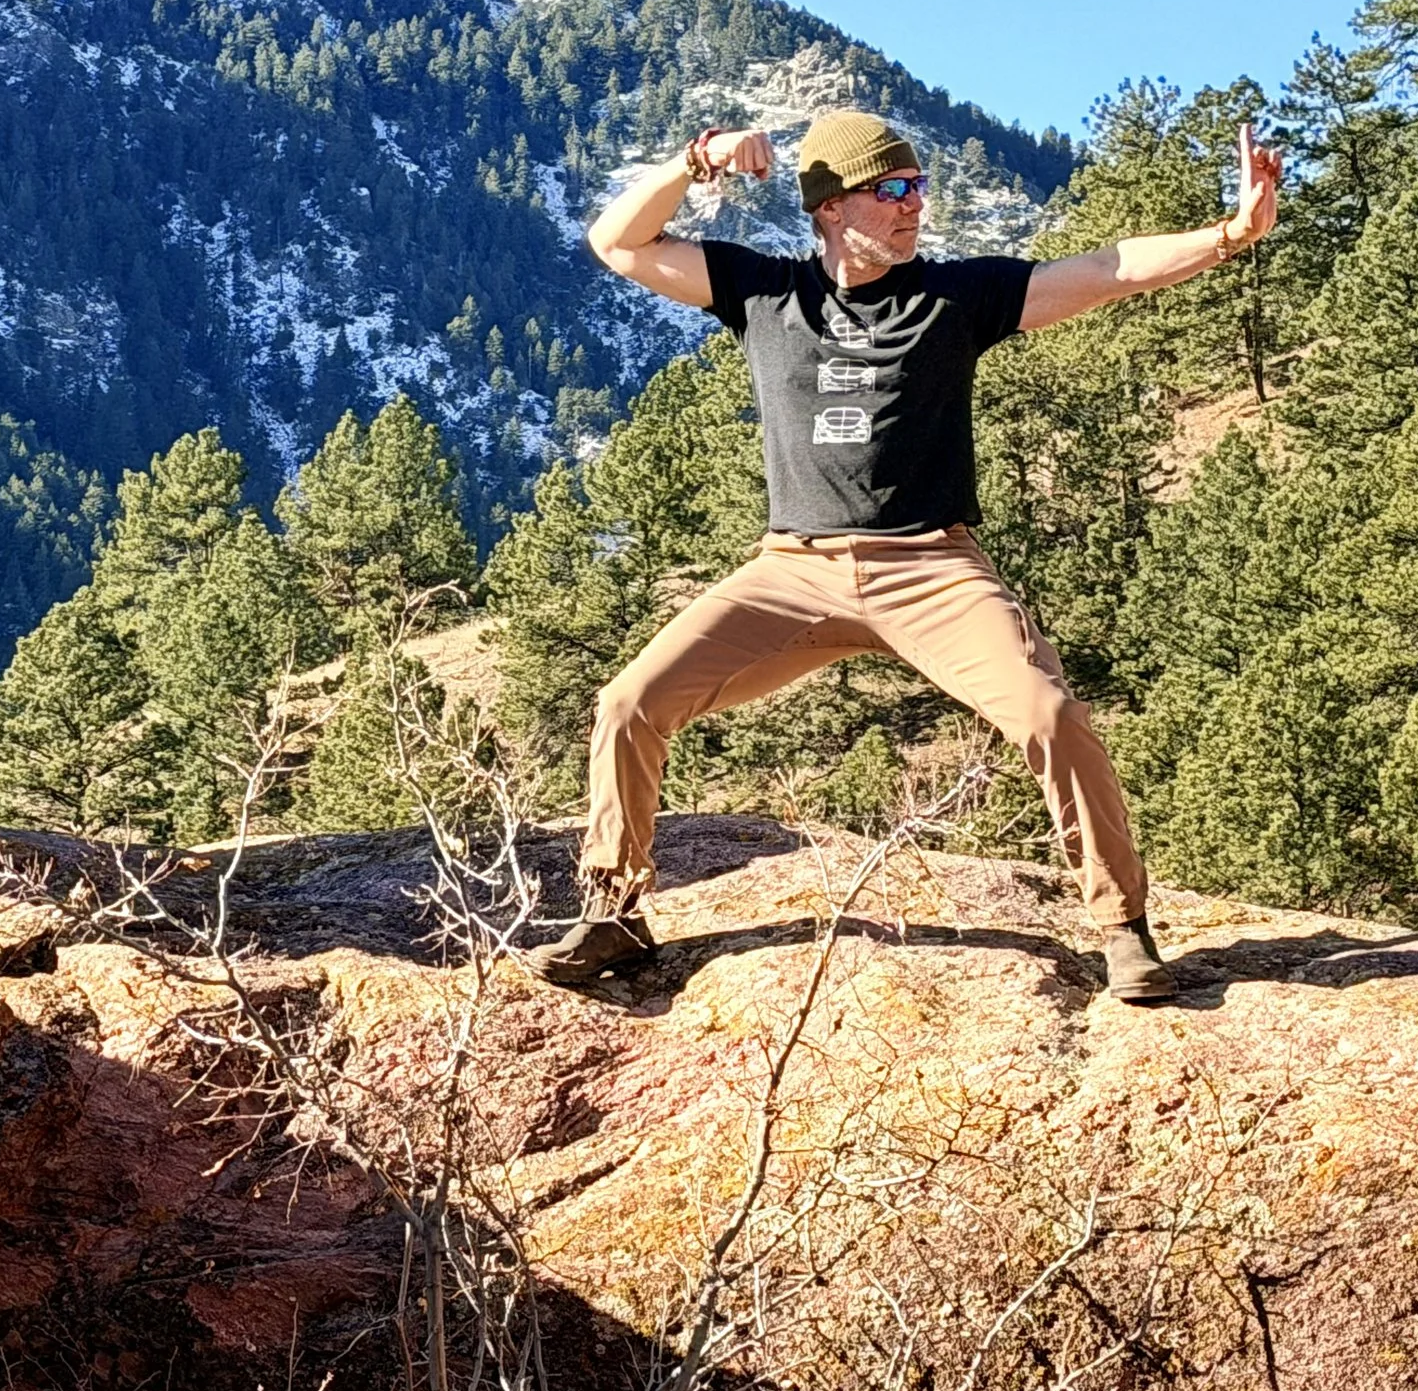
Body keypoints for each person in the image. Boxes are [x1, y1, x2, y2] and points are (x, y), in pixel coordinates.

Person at [527, 108, 1282, 1001]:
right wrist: (698, 160)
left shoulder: (957, 298)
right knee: (629, 704)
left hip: (932, 568)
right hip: (792, 572)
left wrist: (1232, 233)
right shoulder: (763, 294)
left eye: (917, 186)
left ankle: (1122, 925)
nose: (912, 205)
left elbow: (1106, 271)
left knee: (1048, 713)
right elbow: (617, 241)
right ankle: (616, 912)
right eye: (890, 190)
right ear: (830, 208)